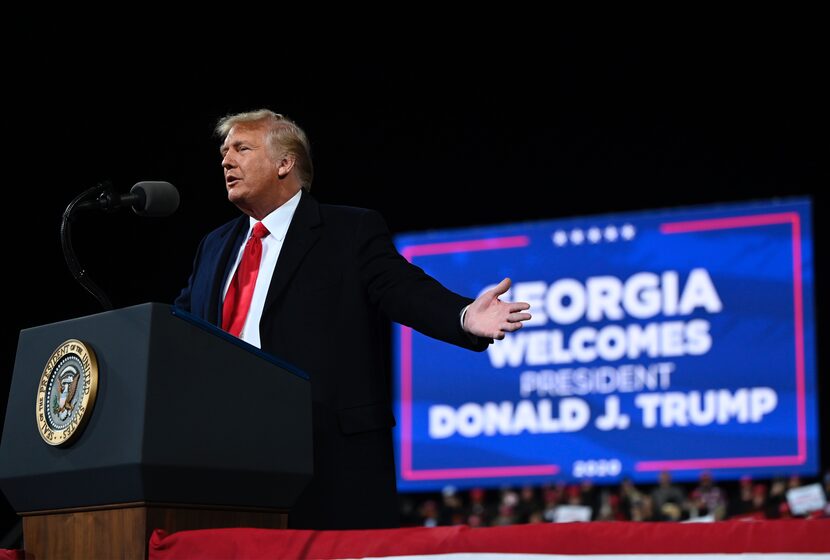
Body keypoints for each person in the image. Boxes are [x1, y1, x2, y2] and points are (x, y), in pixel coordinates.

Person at [174, 109, 531, 529]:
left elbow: (403, 289)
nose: (226, 160)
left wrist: (464, 313)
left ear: (284, 163)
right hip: (226, 452)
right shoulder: (214, 246)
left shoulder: (348, 230)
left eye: (241, 149)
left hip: (325, 456)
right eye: (224, 152)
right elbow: (180, 324)